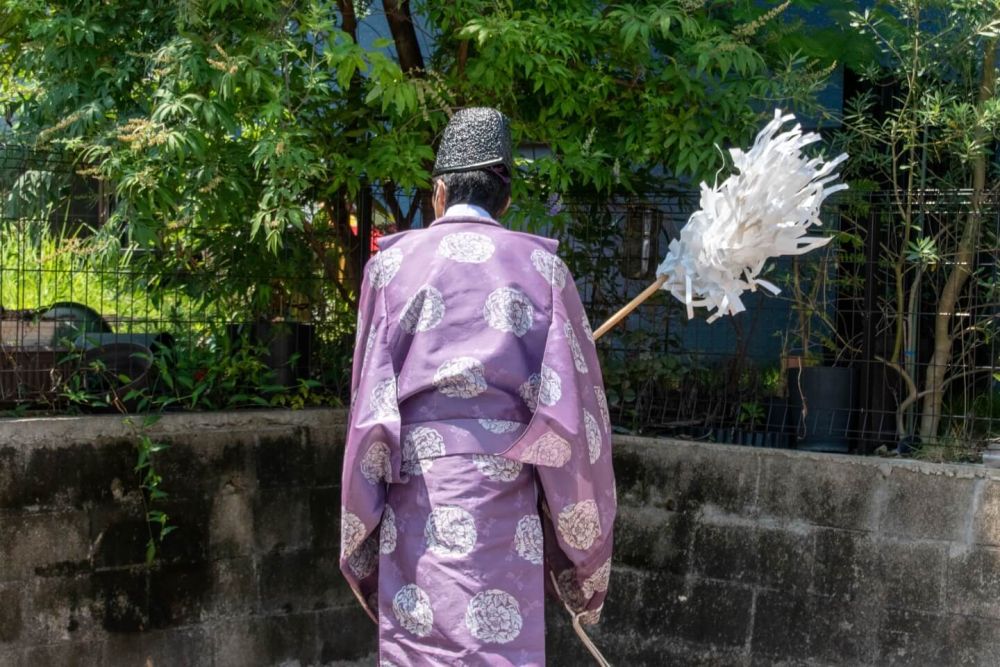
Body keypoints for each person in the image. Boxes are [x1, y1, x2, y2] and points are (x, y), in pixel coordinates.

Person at [339, 108, 616, 666]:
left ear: (438, 192)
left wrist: (360, 532)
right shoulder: (543, 269)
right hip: (502, 504)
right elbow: (574, 426)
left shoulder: (388, 270)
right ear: (506, 200)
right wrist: (584, 556)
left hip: (415, 500)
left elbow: (368, 414)